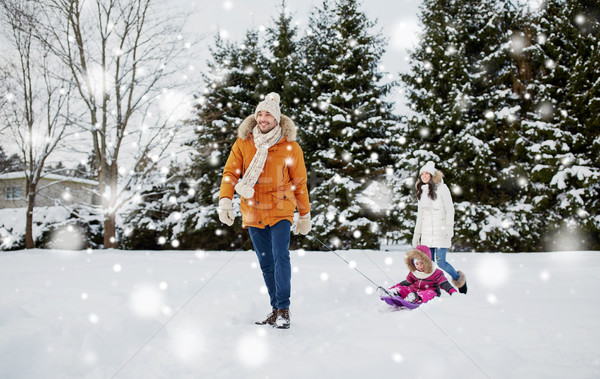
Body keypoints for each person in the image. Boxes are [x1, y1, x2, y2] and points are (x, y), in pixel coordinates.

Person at [217, 92, 311, 329]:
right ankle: (274, 308)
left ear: (277, 118)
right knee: (266, 262)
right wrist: (225, 200)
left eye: (268, 113)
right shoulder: (244, 143)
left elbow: (299, 183)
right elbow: (230, 173)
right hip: (252, 210)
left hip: (280, 208)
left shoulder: (290, 146)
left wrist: (304, 214)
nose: (262, 117)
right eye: (259, 113)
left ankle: (283, 309)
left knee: (281, 256)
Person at [412, 161, 467, 294]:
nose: (424, 176)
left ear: (432, 175)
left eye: (427, 173)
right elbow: (420, 216)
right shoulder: (421, 192)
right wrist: (416, 235)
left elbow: (450, 210)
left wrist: (449, 228)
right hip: (426, 234)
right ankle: (434, 289)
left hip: (441, 232)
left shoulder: (442, 189)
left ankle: (458, 279)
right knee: (428, 264)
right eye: (422, 174)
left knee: (441, 262)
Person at [388, 245, 457, 303]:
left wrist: (452, 292)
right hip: (414, 290)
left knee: (429, 294)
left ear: (427, 262)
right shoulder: (414, 272)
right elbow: (407, 282)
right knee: (405, 289)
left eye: (422, 263)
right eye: (417, 264)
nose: (419, 266)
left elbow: (444, 284)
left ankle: (416, 298)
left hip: (430, 292)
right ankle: (394, 293)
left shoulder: (436, 273)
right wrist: (395, 287)